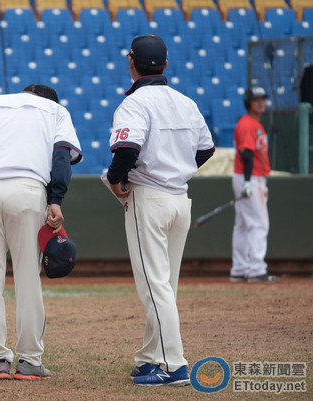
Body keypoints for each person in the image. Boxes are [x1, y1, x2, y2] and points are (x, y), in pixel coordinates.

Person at [0, 84, 82, 380]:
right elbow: (61, 156)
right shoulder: (55, 110)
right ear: (47, 100)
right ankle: (30, 360)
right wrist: (56, 199)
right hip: (26, 191)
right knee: (27, 278)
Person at [105, 34, 215, 386]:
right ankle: (149, 358)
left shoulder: (134, 103)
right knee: (164, 285)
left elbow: (125, 149)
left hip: (149, 198)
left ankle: (174, 365)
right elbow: (206, 150)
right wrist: (176, 167)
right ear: (165, 65)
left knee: (155, 286)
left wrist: (116, 179)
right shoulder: (186, 102)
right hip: (179, 198)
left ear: (131, 63)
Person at [230, 86, 278, 283]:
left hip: (246, 177)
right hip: (250, 178)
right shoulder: (248, 124)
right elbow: (247, 155)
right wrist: (249, 182)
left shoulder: (253, 123)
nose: (261, 102)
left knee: (242, 225)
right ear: (249, 102)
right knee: (258, 224)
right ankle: (257, 269)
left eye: (263, 99)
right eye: (257, 99)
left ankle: (239, 269)